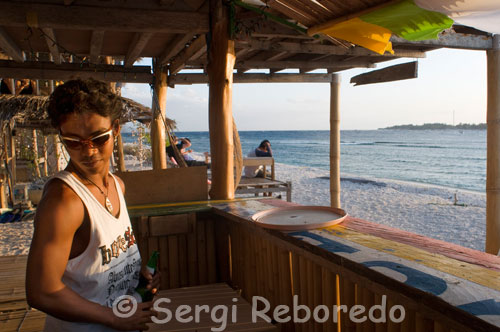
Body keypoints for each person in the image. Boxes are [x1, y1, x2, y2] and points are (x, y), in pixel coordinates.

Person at [26, 79, 159, 332]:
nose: (87, 151)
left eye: (98, 139)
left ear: (116, 129)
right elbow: (42, 291)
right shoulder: (64, 201)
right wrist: (112, 318)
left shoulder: (117, 185)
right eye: (73, 142)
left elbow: (96, 261)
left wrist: (136, 276)